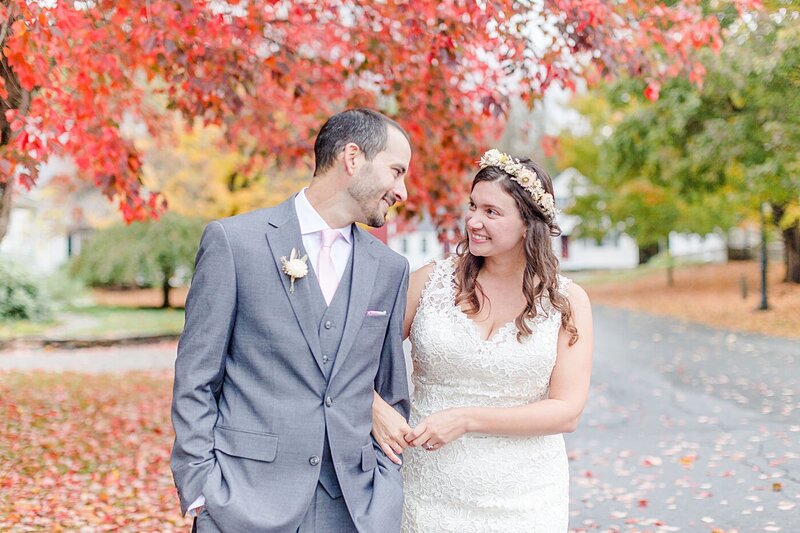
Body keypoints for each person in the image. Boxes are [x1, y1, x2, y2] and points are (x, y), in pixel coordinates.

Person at [171, 108, 413, 533]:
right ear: (352, 158)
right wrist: (200, 487)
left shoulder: (389, 268)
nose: (402, 191)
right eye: (396, 171)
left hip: (354, 509)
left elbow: (390, 392)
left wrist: (385, 490)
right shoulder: (235, 243)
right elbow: (196, 378)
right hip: (242, 501)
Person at [371, 149, 594, 532]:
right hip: (430, 489)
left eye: (491, 212)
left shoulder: (566, 301)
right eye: (473, 206)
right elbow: (355, 358)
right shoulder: (428, 282)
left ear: (528, 224)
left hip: (526, 497)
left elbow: (566, 411)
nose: (473, 220)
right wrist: (373, 408)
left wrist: (468, 419)